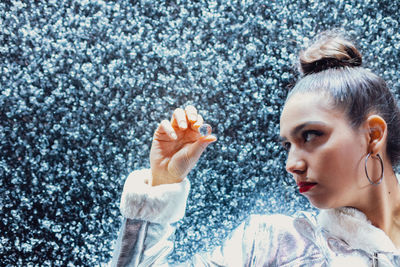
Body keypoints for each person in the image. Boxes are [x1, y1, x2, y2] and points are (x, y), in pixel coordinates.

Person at [111, 33, 400, 266]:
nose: (291, 164)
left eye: (310, 135)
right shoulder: (270, 244)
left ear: (372, 135)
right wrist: (162, 183)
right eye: (287, 145)